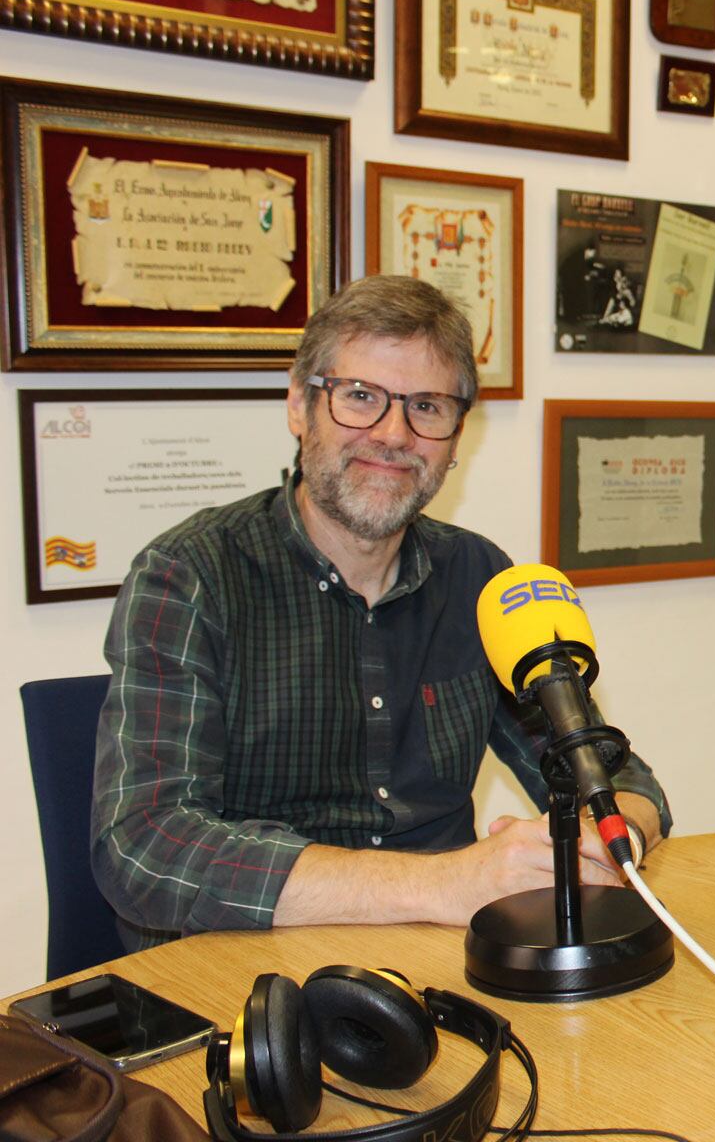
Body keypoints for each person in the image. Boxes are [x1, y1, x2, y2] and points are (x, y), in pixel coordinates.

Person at [92, 275, 672, 949]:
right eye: (361, 396)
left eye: (427, 406)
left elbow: (611, 774)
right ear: (298, 404)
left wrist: (613, 838)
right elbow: (144, 847)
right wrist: (445, 883)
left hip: (437, 960)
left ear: (456, 438)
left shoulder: (481, 578)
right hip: (241, 970)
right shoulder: (190, 575)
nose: (394, 434)